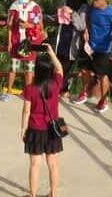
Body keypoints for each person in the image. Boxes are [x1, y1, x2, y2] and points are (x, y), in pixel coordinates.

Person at [20, 43, 65, 197]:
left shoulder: (30, 88)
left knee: (35, 164)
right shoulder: (56, 84)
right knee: (53, 164)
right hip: (52, 130)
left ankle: (32, 194)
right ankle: (53, 194)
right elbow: (60, 69)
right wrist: (51, 53)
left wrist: (23, 129)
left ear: (37, 70)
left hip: (35, 129)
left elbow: (26, 111)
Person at [1, 0, 43, 101]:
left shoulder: (35, 8)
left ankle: (28, 93)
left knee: (29, 69)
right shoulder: (14, 6)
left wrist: (29, 25)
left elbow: (39, 26)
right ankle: (8, 91)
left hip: (30, 43)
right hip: (16, 41)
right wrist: (9, 41)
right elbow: (9, 26)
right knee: (13, 67)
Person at [54, 0, 89, 102]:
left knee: (66, 68)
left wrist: (72, 13)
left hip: (72, 42)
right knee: (57, 65)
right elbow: (58, 16)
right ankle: (61, 90)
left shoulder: (83, 7)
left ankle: (62, 90)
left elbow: (81, 26)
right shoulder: (65, 0)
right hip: (62, 38)